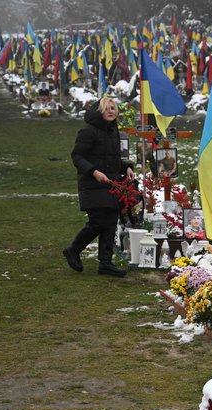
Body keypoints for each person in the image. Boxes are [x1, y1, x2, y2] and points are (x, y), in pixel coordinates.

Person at [63, 98, 134, 277]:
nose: (110, 111)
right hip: (93, 183)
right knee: (98, 221)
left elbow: (111, 159)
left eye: (113, 108)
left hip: (110, 184)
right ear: (99, 111)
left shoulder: (113, 131)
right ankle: (73, 249)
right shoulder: (88, 131)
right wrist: (94, 172)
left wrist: (126, 166)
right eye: (106, 109)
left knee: (110, 221)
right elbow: (77, 156)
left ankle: (105, 262)